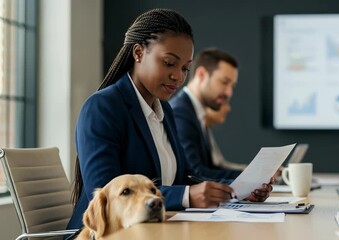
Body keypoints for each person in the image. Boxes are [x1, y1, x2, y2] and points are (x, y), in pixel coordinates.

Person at [67, 9, 272, 231]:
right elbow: (106, 189)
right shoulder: (102, 107)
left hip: (152, 230)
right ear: (138, 53)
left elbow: (181, 178)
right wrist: (186, 196)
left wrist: (237, 189)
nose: (179, 76)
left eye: (185, 68)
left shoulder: (164, 109)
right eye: (169, 63)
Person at [169, 48, 243, 179]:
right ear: (202, 75)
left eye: (232, 86)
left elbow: (210, 168)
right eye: (224, 82)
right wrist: (249, 177)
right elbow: (196, 174)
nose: (229, 93)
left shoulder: (195, 113)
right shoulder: (180, 113)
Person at [205, 102, 247, 171]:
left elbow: (221, 164)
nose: (228, 109)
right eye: (223, 103)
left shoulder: (206, 130)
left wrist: (247, 170)